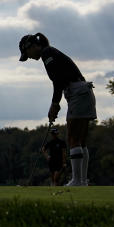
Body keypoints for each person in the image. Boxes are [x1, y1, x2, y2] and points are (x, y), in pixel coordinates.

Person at [19, 33, 96, 186]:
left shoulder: (47, 53)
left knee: (73, 139)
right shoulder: (49, 52)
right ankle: (82, 181)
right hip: (82, 91)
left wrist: (54, 104)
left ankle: (77, 181)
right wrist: (56, 104)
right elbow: (59, 80)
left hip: (77, 92)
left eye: (26, 53)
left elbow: (58, 81)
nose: (29, 57)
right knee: (81, 141)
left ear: (31, 46)